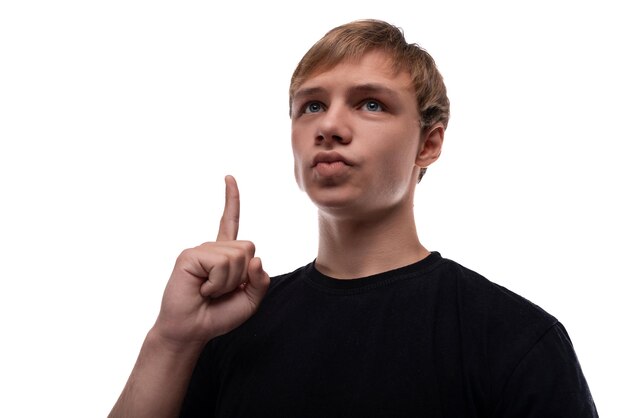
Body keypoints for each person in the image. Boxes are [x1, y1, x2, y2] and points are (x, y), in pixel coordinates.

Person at [109, 19, 598, 417]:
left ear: (428, 144)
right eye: (312, 105)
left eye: (370, 104)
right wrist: (171, 339)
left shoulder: (513, 338)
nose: (329, 126)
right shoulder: (229, 326)